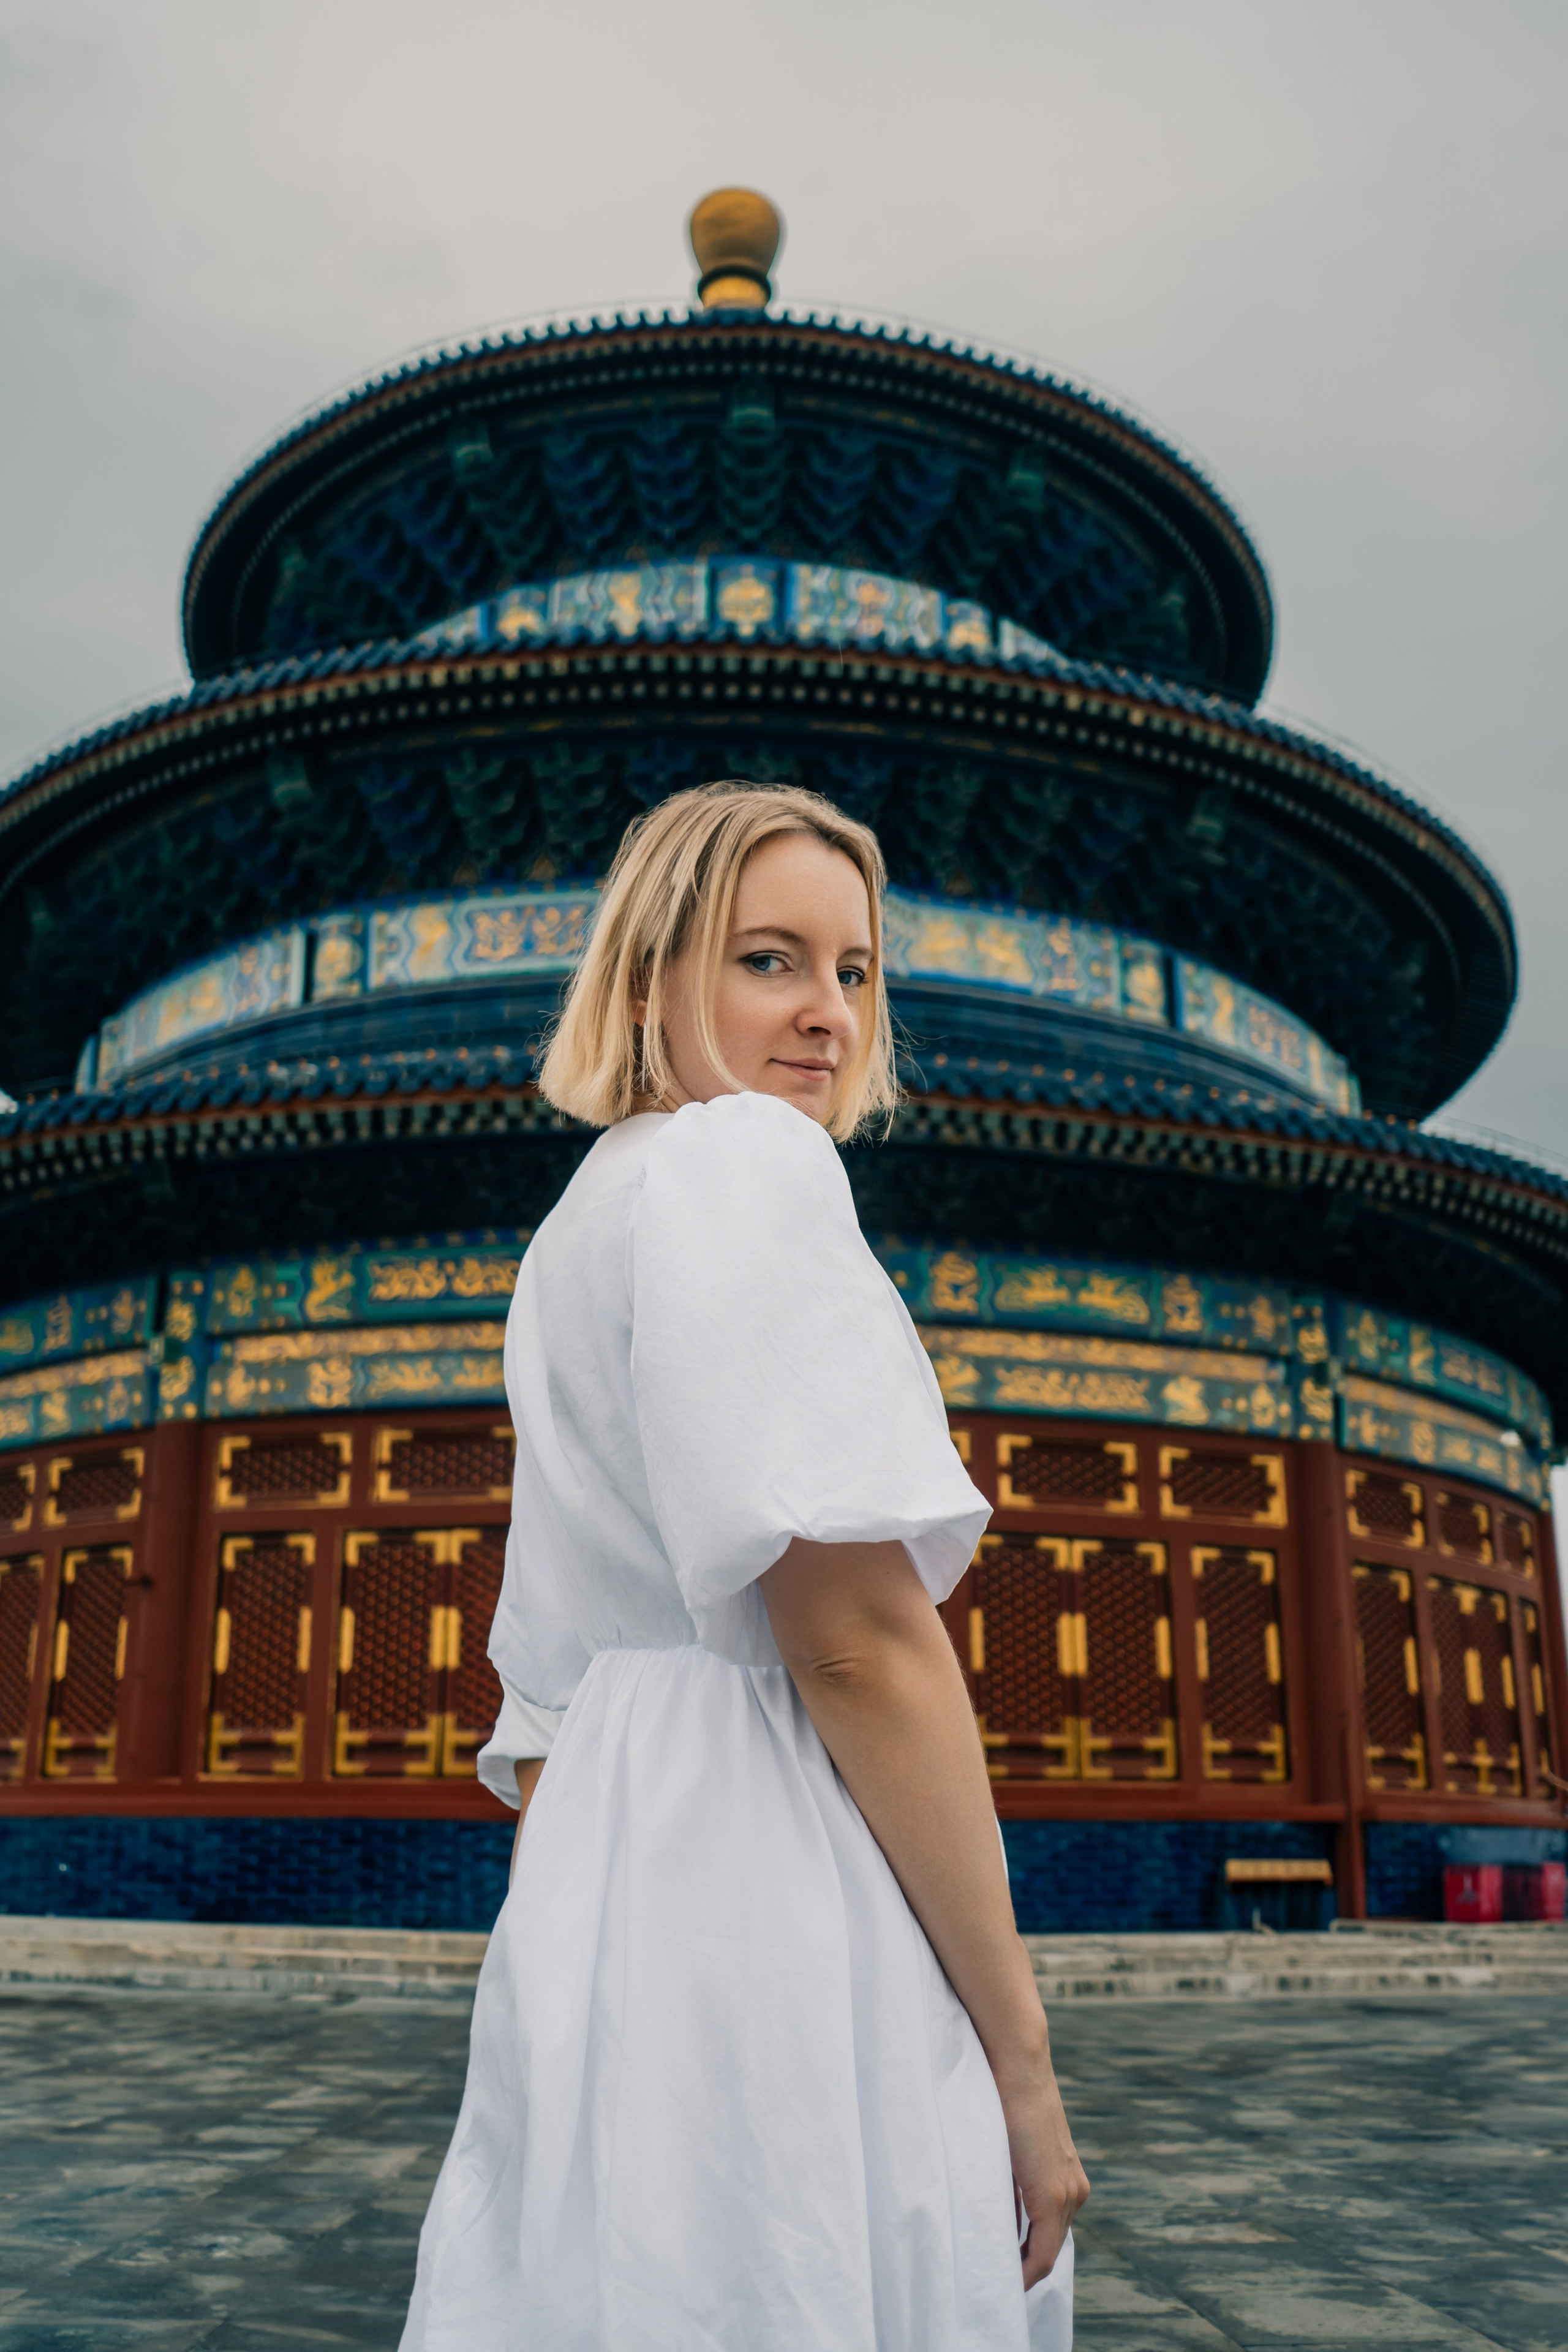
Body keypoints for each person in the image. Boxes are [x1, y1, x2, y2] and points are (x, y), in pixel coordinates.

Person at [400, 781, 1088, 2352]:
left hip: (612, 1870)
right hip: (773, 1856)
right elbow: (858, 1643)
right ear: (652, 976)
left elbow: (551, 1692)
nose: (827, 1016)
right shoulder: (739, 1171)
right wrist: (1023, 2062)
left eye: (853, 972)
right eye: (768, 960)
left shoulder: (587, 1215)